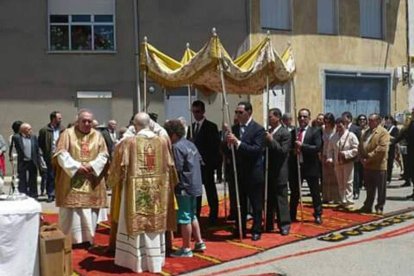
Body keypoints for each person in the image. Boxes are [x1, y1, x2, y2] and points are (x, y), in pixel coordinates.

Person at [108, 113, 177, 273]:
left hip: (134, 192)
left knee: (136, 223)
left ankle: (135, 261)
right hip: (157, 192)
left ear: (134, 125)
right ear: (151, 124)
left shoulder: (128, 142)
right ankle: (154, 260)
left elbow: (116, 165)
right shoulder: (162, 141)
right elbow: (171, 168)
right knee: (154, 225)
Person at [53, 109, 109, 245]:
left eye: (89, 121)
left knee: (89, 211)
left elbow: (104, 155)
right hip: (71, 179)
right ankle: (70, 239)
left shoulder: (98, 136)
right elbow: (61, 153)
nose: (87, 123)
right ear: (77, 121)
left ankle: (88, 239)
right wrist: (76, 166)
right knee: (72, 211)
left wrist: (92, 166)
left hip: (91, 179)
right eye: (84, 121)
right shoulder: (67, 134)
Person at [164, 119, 206, 257]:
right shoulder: (190, 144)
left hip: (184, 186)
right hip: (195, 184)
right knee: (192, 214)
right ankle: (199, 241)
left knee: (184, 217)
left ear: (173, 134)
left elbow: (177, 168)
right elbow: (200, 160)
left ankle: (186, 248)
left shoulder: (176, 147)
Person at [226, 101, 265, 241]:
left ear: (249, 112)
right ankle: (240, 227)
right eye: (236, 112)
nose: (237, 115)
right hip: (239, 173)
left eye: (240, 112)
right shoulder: (234, 129)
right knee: (239, 203)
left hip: (253, 172)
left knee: (256, 204)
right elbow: (228, 152)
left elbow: (256, 150)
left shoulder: (258, 129)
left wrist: (238, 143)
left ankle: (256, 229)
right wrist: (227, 142)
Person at [289, 108, 323, 224]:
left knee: (315, 192)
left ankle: (318, 214)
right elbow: (289, 148)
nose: (302, 119)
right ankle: (291, 215)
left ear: (309, 118)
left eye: (304, 117)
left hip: (310, 166)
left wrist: (302, 146)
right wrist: (293, 151)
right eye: (300, 117)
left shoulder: (315, 131)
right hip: (297, 166)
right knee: (295, 193)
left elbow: (317, 148)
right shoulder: (294, 132)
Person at [189, 100, 220, 224]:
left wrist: (212, 163)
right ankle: (196, 213)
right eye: (194, 112)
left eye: (198, 112)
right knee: (196, 190)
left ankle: (214, 214)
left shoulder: (211, 127)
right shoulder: (191, 128)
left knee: (210, 188)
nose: (196, 114)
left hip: (206, 164)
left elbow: (214, 146)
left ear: (203, 111)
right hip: (195, 165)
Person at [264, 108, 291, 235]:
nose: (269, 119)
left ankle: (284, 224)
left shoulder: (284, 133)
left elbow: (282, 151)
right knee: (269, 199)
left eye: (271, 117)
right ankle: (269, 223)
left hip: (280, 171)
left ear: (278, 117)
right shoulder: (268, 131)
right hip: (268, 171)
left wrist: (271, 140)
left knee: (281, 199)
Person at [358, 113, 390, 214]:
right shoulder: (366, 132)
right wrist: (361, 158)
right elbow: (360, 146)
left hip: (378, 165)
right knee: (369, 188)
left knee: (380, 188)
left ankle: (380, 206)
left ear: (378, 121)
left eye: (372, 120)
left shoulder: (383, 132)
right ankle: (368, 205)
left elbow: (382, 149)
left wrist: (369, 157)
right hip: (367, 165)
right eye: (369, 120)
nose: (369, 122)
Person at [327, 118, 359, 208]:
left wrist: (346, 154)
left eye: (340, 126)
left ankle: (349, 200)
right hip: (337, 163)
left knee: (348, 182)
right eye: (337, 126)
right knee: (340, 182)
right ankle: (343, 200)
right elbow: (329, 149)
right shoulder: (334, 137)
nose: (339, 128)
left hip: (347, 162)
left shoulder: (351, 135)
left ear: (345, 125)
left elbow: (356, 149)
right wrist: (330, 158)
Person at [12, 123, 45, 198]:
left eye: (30, 129)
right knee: (22, 179)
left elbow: (37, 149)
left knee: (33, 178)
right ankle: (23, 194)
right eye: (28, 129)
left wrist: (39, 160)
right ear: (23, 130)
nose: (31, 130)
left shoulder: (34, 137)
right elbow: (13, 149)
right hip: (22, 161)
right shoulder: (16, 137)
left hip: (32, 161)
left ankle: (33, 194)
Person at [38, 111, 64, 202]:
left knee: (61, 176)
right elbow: (40, 144)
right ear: (53, 119)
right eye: (59, 118)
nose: (61, 120)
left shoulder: (63, 130)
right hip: (50, 156)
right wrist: (43, 156)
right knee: (51, 176)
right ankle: (51, 194)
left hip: (61, 156)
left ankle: (60, 194)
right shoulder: (44, 130)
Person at [394, 108, 414, 198]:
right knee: (411, 172)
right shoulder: (411, 124)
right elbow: (402, 135)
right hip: (410, 152)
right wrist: (392, 143)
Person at [342, 111, 362, 200]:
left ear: (349, 119)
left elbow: (359, 142)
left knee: (355, 175)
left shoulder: (356, 128)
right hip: (343, 155)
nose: (343, 120)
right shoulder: (341, 127)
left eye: (344, 118)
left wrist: (358, 154)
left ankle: (356, 191)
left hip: (353, 155)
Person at [321, 113, 339, 203]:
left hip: (333, 154)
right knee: (325, 176)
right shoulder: (323, 128)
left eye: (328, 121)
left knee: (334, 177)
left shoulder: (336, 129)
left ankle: (335, 197)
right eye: (325, 121)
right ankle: (326, 197)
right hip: (324, 154)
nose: (327, 123)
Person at [384, 115, 399, 184]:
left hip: (391, 148)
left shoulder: (394, 128)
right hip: (384, 148)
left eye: (388, 119)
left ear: (391, 120)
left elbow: (396, 138)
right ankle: (384, 177)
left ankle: (388, 178)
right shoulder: (384, 128)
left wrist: (388, 137)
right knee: (384, 164)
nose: (386, 121)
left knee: (390, 164)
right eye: (386, 119)